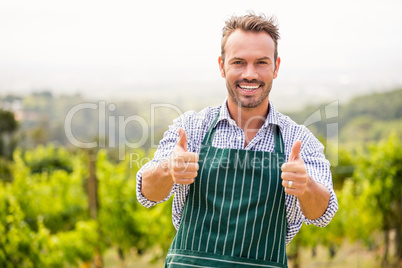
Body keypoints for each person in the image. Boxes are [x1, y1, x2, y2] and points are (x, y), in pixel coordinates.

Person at [136, 12, 338, 268]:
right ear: (222, 66)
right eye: (239, 62)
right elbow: (146, 193)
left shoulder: (298, 139)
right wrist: (168, 169)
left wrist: (305, 185)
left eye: (261, 62)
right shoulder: (191, 128)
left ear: (276, 67)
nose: (250, 74)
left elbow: (322, 214)